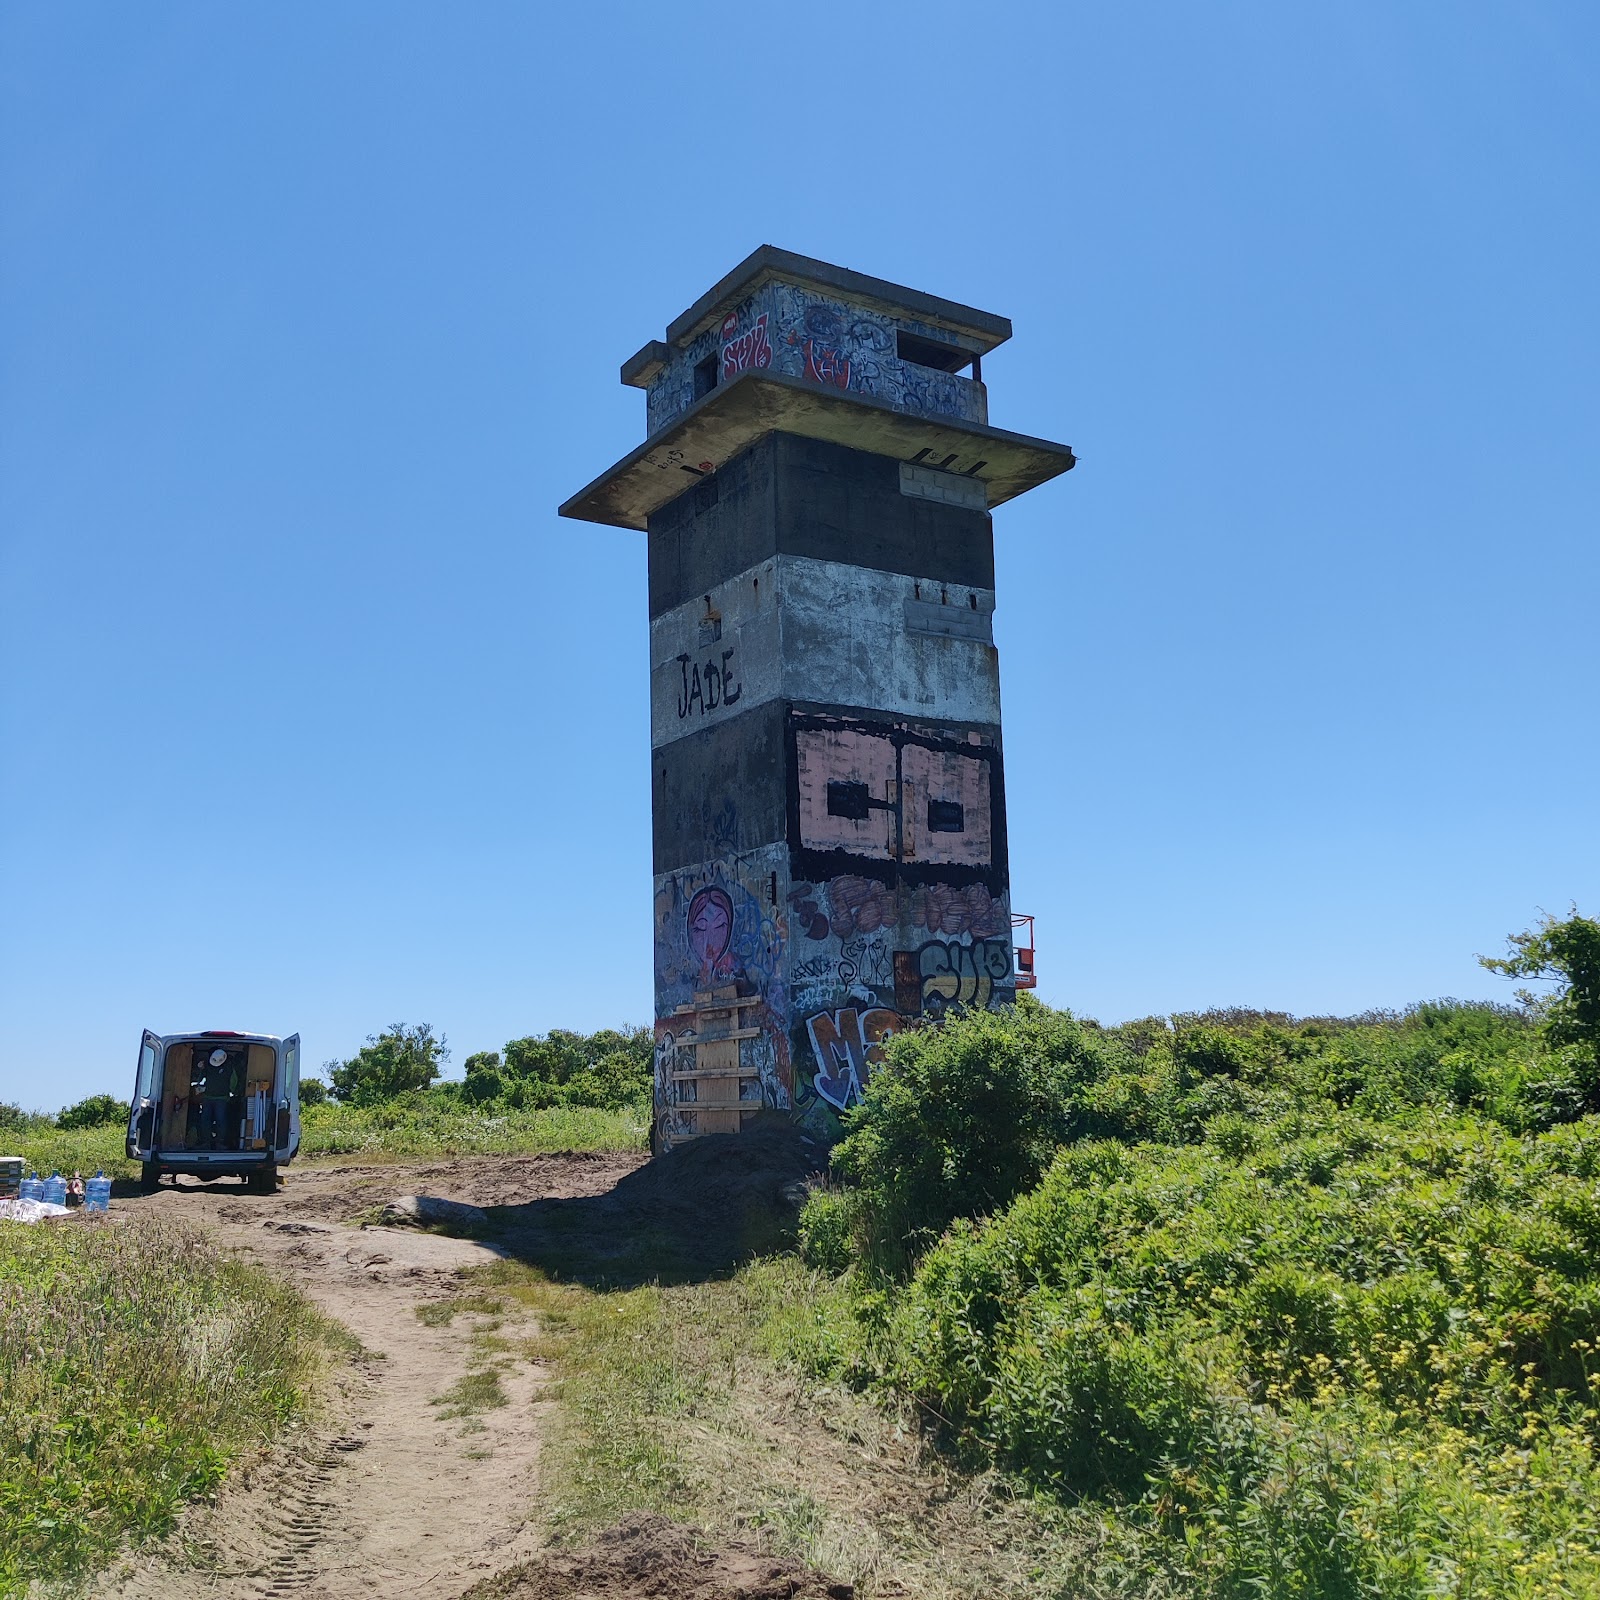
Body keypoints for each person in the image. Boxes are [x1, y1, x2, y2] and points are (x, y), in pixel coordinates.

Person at [199, 1047, 239, 1149]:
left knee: (216, 1120)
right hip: (212, 1097)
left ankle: (216, 1142)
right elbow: (234, 1082)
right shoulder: (207, 1066)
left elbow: (234, 1081)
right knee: (213, 1120)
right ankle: (210, 1142)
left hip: (219, 1098)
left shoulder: (229, 1067)